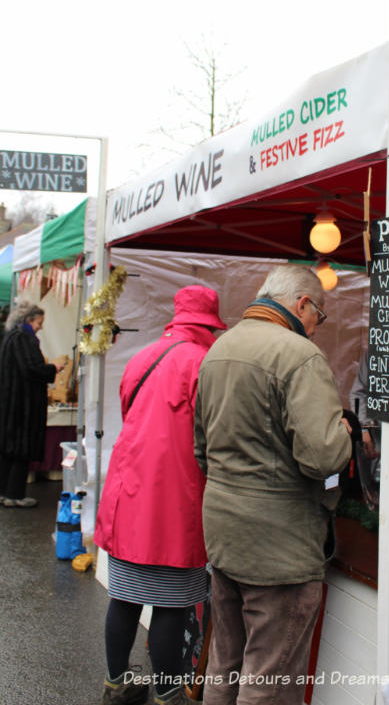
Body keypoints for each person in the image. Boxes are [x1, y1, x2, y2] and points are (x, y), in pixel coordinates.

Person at [194, 264, 352, 705]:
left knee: (224, 665)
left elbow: (201, 450)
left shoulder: (220, 348)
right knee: (270, 681)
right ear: (302, 304)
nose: (318, 328)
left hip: (224, 533)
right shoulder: (299, 355)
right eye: (319, 315)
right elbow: (323, 458)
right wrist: (346, 433)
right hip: (279, 546)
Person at [94, 285, 227, 705]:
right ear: (208, 324)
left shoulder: (140, 358)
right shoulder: (202, 364)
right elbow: (212, 438)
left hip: (127, 493)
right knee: (172, 605)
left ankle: (116, 683)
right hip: (174, 501)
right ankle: (169, 694)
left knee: (126, 598)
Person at [0, 301, 64, 508]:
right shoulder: (23, 339)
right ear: (28, 320)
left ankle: (4, 492)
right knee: (21, 449)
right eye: (39, 322)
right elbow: (31, 369)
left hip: (11, 403)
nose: (41, 326)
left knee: (8, 450)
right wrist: (52, 368)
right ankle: (15, 494)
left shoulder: (11, 337)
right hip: (23, 405)